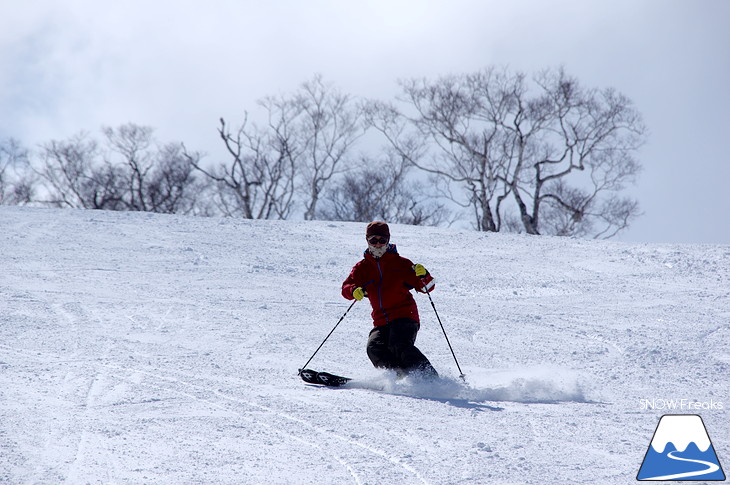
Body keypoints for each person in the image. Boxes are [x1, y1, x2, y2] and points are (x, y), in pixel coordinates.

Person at [341, 221, 438, 379]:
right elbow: (346, 288)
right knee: (374, 348)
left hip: (405, 317)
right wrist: (353, 291)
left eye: (382, 240)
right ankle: (398, 377)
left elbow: (426, 287)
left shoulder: (402, 264)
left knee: (398, 344)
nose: (378, 244)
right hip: (381, 321)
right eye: (373, 240)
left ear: (388, 240)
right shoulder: (362, 268)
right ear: (367, 241)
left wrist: (424, 275)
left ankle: (430, 378)